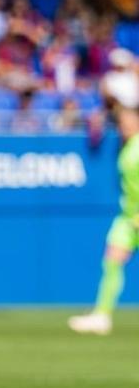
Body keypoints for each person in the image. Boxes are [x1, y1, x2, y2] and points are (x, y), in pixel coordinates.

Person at [70, 108, 139, 335]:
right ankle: (102, 315)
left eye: (130, 120)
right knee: (112, 262)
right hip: (128, 218)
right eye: (123, 121)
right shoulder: (126, 146)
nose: (126, 125)